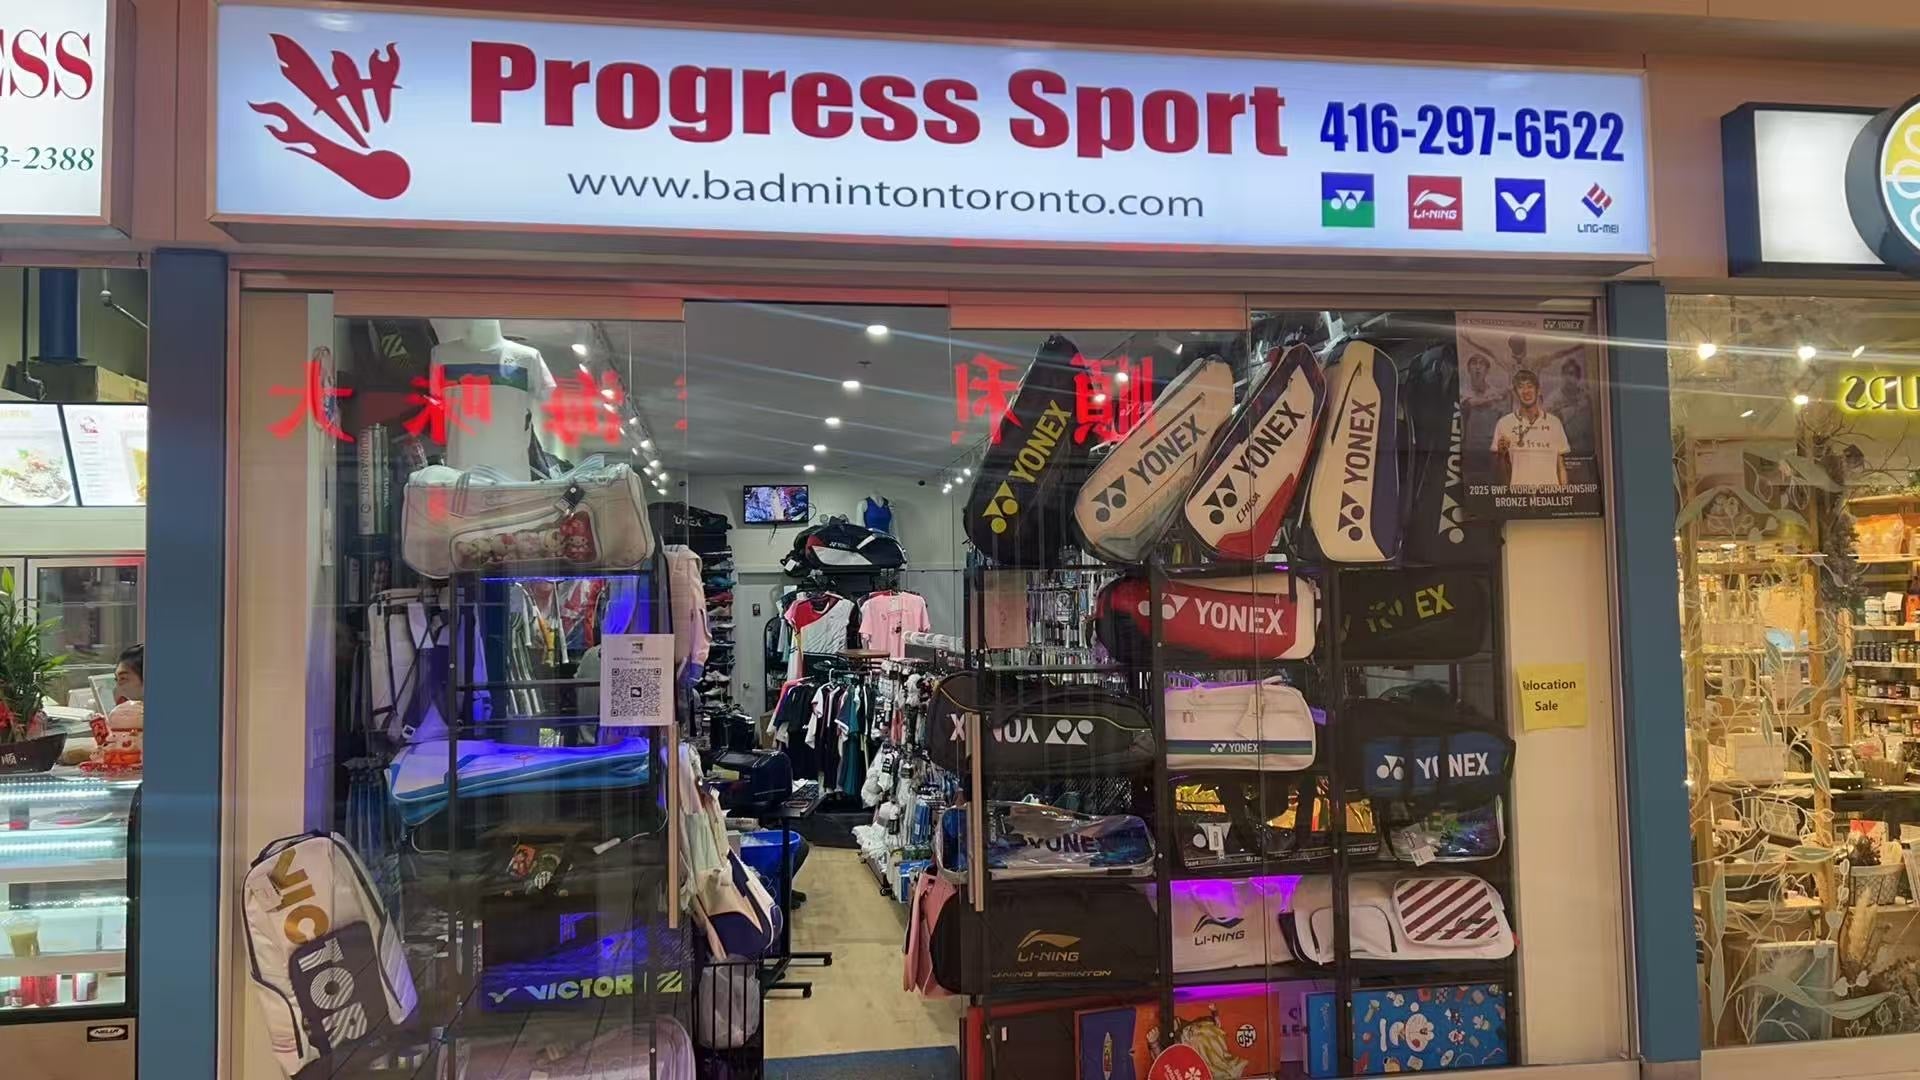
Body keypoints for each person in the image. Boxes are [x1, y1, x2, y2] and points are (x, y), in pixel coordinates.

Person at [1491, 370, 1569, 488]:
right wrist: (1501, 455)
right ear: (1515, 393)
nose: (1526, 391)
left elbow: (1561, 466)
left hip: (1550, 495)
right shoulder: (1504, 423)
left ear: (1538, 390)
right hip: (1519, 496)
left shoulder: (1554, 423)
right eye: (1521, 387)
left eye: (1530, 386)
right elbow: (1499, 475)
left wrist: (1565, 495)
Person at [1460, 351, 1505, 479]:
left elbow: (1502, 420)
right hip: (1471, 449)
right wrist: (1494, 398)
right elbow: (1471, 403)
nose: (1478, 367)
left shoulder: (1495, 392)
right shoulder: (1463, 390)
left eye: (1482, 364)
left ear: (1487, 370)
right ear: (1468, 369)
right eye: (1474, 363)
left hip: (1492, 449)